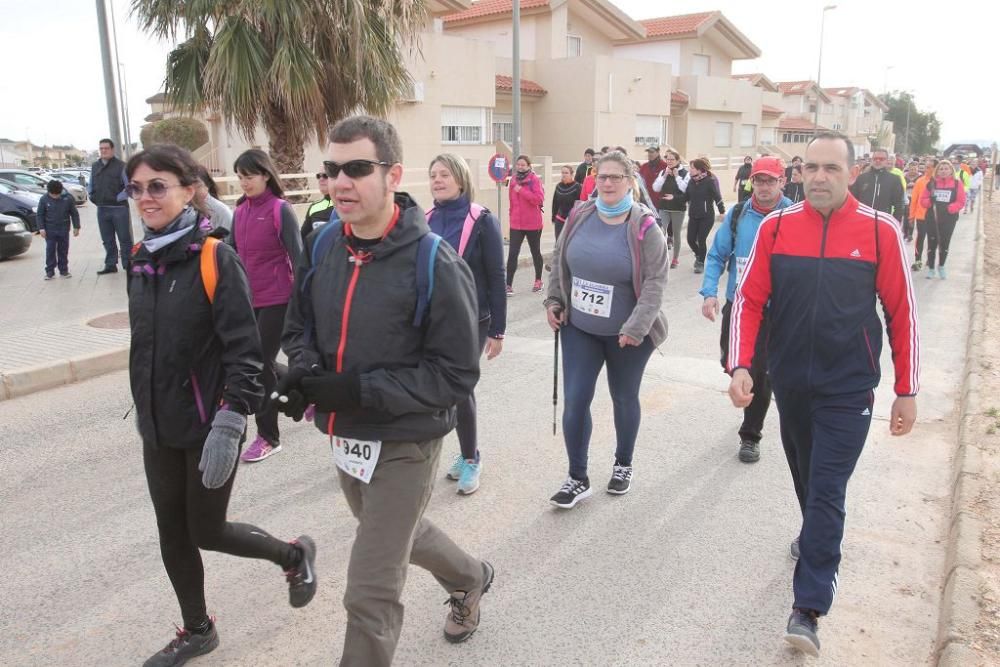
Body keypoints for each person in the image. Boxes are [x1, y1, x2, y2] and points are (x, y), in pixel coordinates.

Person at [277, 115, 492, 665]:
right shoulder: (324, 243)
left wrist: (356, 389)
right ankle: (471, 577)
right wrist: (303, 373)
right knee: (398, 533)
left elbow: (456, 375)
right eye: (331, 170)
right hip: (346, 436)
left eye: (356, 169)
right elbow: (299, 325)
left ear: (393, 174)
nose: (340, 183)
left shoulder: (435, 263)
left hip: (406, 439)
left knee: (369, 590)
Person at [728, 131, 919, 657]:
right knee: (808, 480)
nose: (818, 177)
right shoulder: (776, 227)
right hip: (790, 383)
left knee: (828, 489)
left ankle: (808, 607)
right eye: (810, 167)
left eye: (831, 168)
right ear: (799, 173)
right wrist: (741, 365)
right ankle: (816, 535)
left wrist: (907, 389)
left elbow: (902, 315)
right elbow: (748, 301)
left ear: (852, 173)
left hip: (848, 388)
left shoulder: (881, 232)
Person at [125, 144, 316, 667]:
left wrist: (232, 420)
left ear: (189, 190)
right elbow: (146, 342)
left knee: (206, 529)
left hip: (211, 424)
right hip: (158, 423)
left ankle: (293, 555)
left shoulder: (215, 257)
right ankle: (198, 629)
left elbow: (246, 350)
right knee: (172, 531)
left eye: (157, 185)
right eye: (137, 188)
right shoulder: (141, 260)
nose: (146, 197)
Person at [542, 150, 669, 508]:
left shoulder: (644, 225)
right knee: (576, 400)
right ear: (593, 181)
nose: (608, 183)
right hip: (579, 328)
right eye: (602, 177)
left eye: (616, 177)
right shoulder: (580, 214)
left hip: (627, 335)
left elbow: (657, 282)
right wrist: (554, 301)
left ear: (630, 182)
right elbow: (558, 263)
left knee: (623, 397)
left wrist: (637, 326)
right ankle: (577, 477)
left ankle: (623, 463)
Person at [700, 157, 793, 463]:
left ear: (782, 182)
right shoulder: (739, 214)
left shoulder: (794, 215)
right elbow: (716, 255)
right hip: (739, 305)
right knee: (732, 360)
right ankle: (749, 383)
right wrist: (709, 293)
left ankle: (750, 435)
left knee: (759, 371)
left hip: (776, 309)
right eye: (759, 180)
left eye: (770, 180)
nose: (764, 187)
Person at [426, 153, 507, 495]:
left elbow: (496, 274)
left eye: (444, 174)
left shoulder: (482, 219)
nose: (437, 180)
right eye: (433, 175)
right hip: (434, 321)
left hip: (474, 319)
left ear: (460, 179)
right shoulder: (424, 218)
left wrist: (498, 330)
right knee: (435, 390)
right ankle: (460, 452)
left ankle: (471, 457)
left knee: (460, 388)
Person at [229, 149, 305, 463]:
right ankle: (302, 387)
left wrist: (304, 301)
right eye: (240, 177)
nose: (244, 183)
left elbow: (299, 257)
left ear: (265, 175)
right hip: (249, 299)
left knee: (259, 365)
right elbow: (232, 255)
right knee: (265, 364)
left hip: (278, 298)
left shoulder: (279, 210)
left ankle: (268, 437)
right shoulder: (240, 211)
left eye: (249, 176)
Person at [89, 138, 132, 274]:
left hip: (119, 209)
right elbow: (90, 185)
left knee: (124, 238)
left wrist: (117, 198)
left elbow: (130, 187)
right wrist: (92, 196)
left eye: (106, 148)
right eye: (101, 148)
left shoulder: (121, 166)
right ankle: (110, 264)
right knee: (107, 239)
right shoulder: (95, 166)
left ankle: (128, 264)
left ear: (112, 150)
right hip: (102, 209)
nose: (103, 151)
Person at [919, 159, 966, 279]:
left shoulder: (957, 184)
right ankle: (931, 269)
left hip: (948, 219)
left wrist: (950, 208)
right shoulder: (932, 183)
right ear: (937, 171)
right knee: (931, 243)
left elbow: (961, 201)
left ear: (951, 170)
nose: (944, 171)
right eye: (941, 169)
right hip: (932, 217)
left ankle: (941, 266)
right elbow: (922, 200)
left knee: (944, 243)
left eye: (946, 169)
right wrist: (930, 201)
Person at [506, 154, 545, 295]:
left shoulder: (534, 180)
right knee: (512, 254)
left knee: (535, 252)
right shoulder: (513, 180)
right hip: (516, 224)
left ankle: (538, 280)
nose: (520, 167)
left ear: (529, 166)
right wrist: (511, 216)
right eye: (518, 164)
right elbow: (511, 201)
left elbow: (539, 199)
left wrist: (521, 191)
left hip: (533, 224)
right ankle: (508, 284)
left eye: (523, 164)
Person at [684, 157, 725, 273]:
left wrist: (722, 212)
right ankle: (698, 255)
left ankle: (700, 262)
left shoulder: (709, 181)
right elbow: (686, 197)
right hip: (693, 215)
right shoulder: (691, 181)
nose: (690, 170)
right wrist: (674, 199)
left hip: (706, 217)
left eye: (692, 168)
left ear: (699, 170)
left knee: (701, 239)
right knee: (691, 240)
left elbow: (718, 197)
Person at [652, 149, 690, 268]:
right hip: (664, 206)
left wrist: (677, 176)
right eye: (667, 159)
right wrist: (664, 176)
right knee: (660, 232)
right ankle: (661, 258)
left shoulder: (684, 173)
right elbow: (656, 188)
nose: (669, 161)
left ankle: (675, 259)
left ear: (678, 160)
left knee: (676, 234)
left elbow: (685, 190)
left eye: (672, 159)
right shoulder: (663, 172)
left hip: (678, 208)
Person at [849, 148, 906, 225]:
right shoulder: (862, 178)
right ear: (871, 160)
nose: (878, 161)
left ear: (886, 161)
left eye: (881, 159)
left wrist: (895, 223)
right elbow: (853, 200)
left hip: (883, 222)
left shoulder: (894, 180)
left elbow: (899, 204)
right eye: (875, 158)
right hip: (862, 222)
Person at [36, 179, 80, 279]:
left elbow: (74, 213)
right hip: (49, 229)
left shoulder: (68, 199)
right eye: (53, 195)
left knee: (63, 250)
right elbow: (40, 215)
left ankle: (64, 270)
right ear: (49, 192)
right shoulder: (44, 199)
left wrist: (76, 226)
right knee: (50, 250)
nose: (55, 197)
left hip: (63, 228)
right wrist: (41, 228)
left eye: (57, 195)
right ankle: (50, 271)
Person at [909, 158, 938, 270]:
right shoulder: (920, 181)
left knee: (933, 239)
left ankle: (930, 259)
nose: (926, 169)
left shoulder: (940, 182)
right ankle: (918, 261)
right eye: (925, 167)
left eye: (929, 167)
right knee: (920, 238)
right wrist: (911, 216)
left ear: (935, 168)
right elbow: (914, 200)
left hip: (935, 217)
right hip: (921, 216)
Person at [192, 166, 232, 232]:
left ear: (207, 185)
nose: (193, 191)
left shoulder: (222, 212)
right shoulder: (183, 210)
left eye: (198, 186)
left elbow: (228, 240)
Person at [301, 169, 335, 242]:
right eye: (318, 176)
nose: (321, 179)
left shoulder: (345, 205)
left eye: (325, 176)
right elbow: (303, 239)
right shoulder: (314, 207)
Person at [551, 165, 582, 240]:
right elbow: (555, 203)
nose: (564, 174)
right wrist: (553, 217)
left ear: (571, 174)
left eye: (566, 173)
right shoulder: (558, 186)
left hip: (572, 220)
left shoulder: (577, 187)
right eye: (562, 173)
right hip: (560, 219)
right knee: (559, 242)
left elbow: (580, 204)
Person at [639, 145, 667, 211]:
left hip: (660, 204)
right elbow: (639, 182)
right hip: (645, 203)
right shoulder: (644, 166)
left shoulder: (665, 166)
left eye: (652, 152)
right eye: (648, 152)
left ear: (658, 152)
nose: (649, 154)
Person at [902, 162, 920, 241]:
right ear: (908, 169)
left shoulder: (920, 177)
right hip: (906, 199)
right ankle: (905, 233)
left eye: (915, 169)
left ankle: (910, 234)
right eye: (911, 169)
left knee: (912, 217)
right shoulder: (904, 176)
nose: (913, 171)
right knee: (906, 216)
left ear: (917, 169)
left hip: (916, 199)